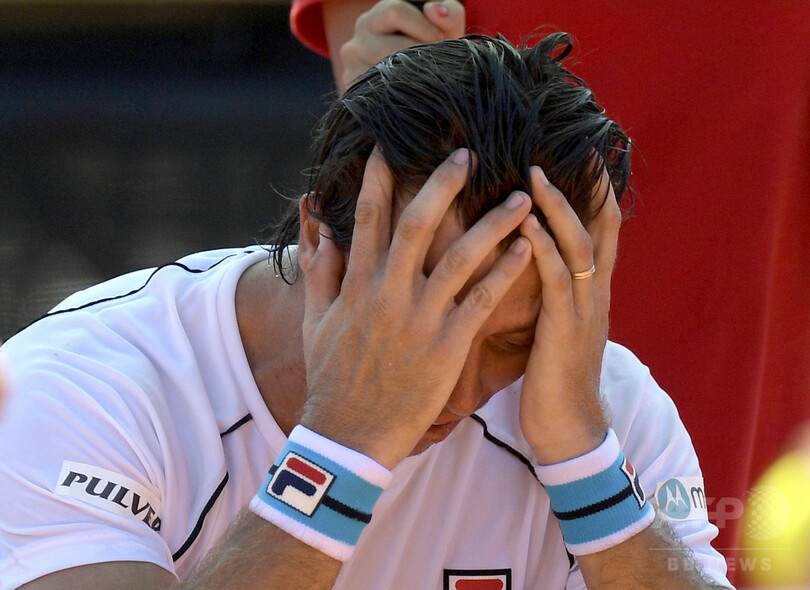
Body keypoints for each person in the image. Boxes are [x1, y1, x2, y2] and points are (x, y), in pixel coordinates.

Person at [0, 35, 732, 589]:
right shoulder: (79, 386)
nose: (457, 389)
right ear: (319, 235)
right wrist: (342, 443)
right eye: (427, 319)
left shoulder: (602, 407)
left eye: (511, 342)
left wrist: (588, 465)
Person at [289, 0, 810, 571]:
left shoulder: (629, 399)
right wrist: (403, 100)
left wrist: (586, 447)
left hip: (748, 380)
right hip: (428, 383)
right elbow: (374, 73)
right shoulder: (206, 354)